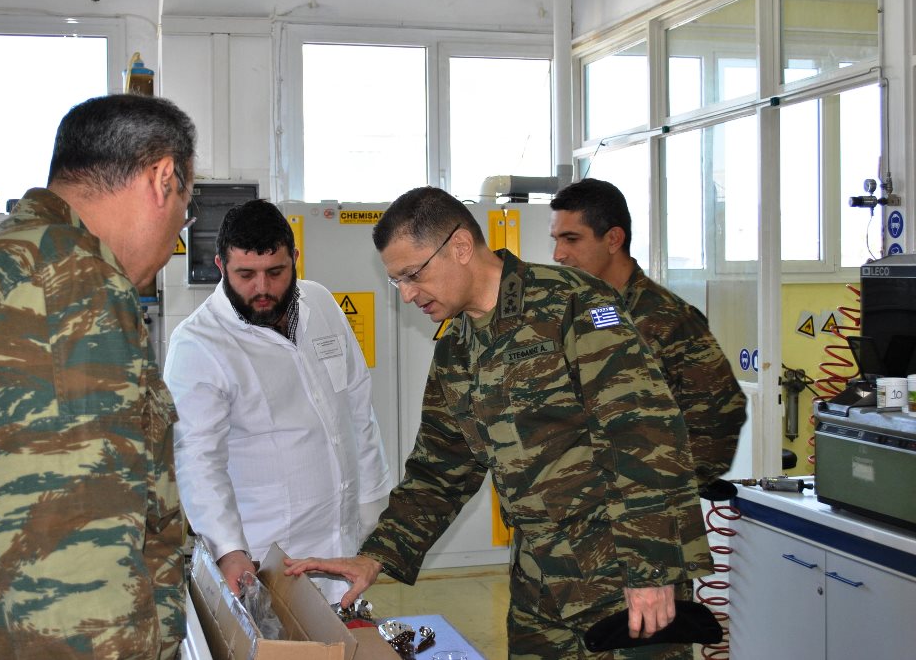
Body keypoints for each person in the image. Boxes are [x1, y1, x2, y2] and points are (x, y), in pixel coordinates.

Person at [286, 186, 713, 659]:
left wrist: (653, 573)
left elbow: (644, 435)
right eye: (396, 282)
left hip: (623, 572)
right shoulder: (457, 351)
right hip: (540, 581)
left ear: (460, 247)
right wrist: (376, 555)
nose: (406, 295)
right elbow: (439, 472)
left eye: (413, 275)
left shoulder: (572, 304)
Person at [0, 94, 196, 659]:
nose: (177, 234)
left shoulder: (3, 262)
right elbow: (75, 573)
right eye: (186, 205)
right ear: (162, 178)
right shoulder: (72, 282)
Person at [163, 198, 392, 603]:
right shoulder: (198, 344)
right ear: (221, 267)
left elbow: (358, 407)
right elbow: (197, 459)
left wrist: (374, 507)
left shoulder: (321, 303)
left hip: (343, 540)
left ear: (295, 260)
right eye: (245, 275)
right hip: (266, 556)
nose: (262, 289)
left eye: (275, 272)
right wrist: (228, 550)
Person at [548, 177, 746, 487]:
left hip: (643, 508)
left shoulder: (667, 319)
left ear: (613, 239)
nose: (558, 254)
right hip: (581, 501)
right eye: (556, 240)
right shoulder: (570, 313)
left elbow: (721, 413)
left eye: (571, 239)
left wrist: (663, 488)